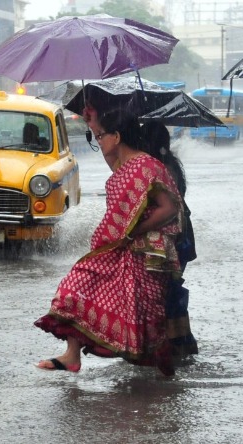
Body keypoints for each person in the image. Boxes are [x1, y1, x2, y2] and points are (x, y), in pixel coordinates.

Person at [34, 109, 184, 376]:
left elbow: (170, 208)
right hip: (117, 248)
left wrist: (134, 230)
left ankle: (163, 374)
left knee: (146, 318)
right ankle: (72, 355)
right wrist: (93, 119)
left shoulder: (147, 165)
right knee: (76, 285)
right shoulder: (122, 167)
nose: (97, 141)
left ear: (116, 136)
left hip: (146, 253)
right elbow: (110, 156)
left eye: (101, 136)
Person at [140, 121, 199, 358]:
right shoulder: (169, 164)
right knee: (170, 289)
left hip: (172, 239)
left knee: (165, 291)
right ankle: (179, 344)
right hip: (181, 237)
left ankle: (171, 346)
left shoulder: (158, 169)